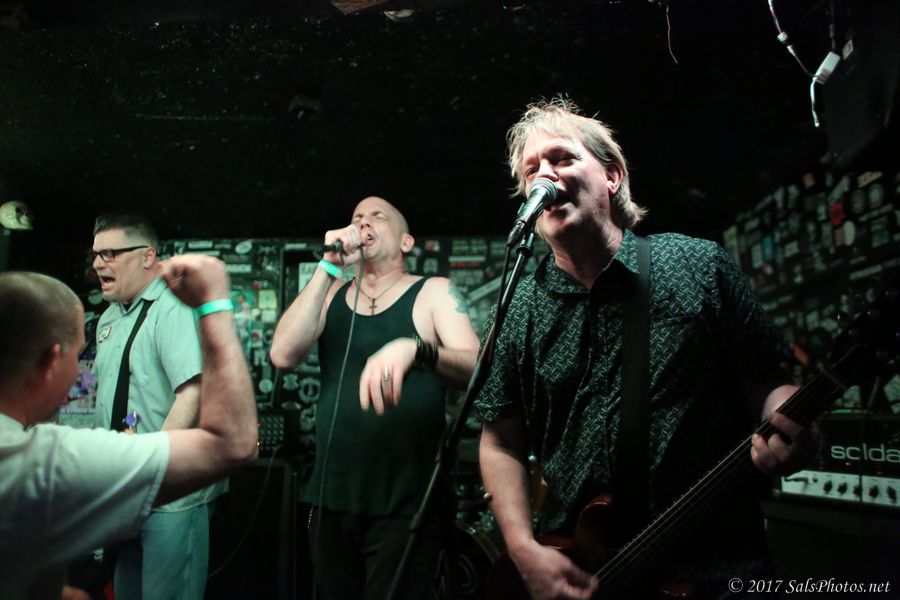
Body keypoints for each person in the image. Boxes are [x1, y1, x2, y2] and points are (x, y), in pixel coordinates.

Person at [475, 98, 817, 600]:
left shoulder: (697, 265)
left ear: (612, 177)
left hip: (718, 564)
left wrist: (794, 426)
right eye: (532, 170)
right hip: (588, 570)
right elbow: (500, 440)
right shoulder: (516, 310)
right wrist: (522, 547)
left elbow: (767, 383)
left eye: (563, 158)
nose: (544, 174)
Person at [0, 255, 258, 600]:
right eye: (76, 356)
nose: (79, 373)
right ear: (50, 362)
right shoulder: (46, 463)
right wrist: (215, 306)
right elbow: (234, 444)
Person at [270, 196, 480, 600]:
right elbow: (282, 354)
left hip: (408, 501)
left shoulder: (433, 292)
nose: (363, 223)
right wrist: (328, 265)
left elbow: (476, 366)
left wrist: (415, 349)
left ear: (406, 242)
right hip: (330, 497)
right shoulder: (330, 294)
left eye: (377, 216)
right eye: (356, 218)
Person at [89, 214, 227, 600]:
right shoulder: (109, 318)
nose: (98, 263)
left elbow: (192, 392)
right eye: (96, 254)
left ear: (148, 256)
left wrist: (154, 469)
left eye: (110, 253)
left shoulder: (175, 306)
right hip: (124, 486)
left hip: (168, 491)